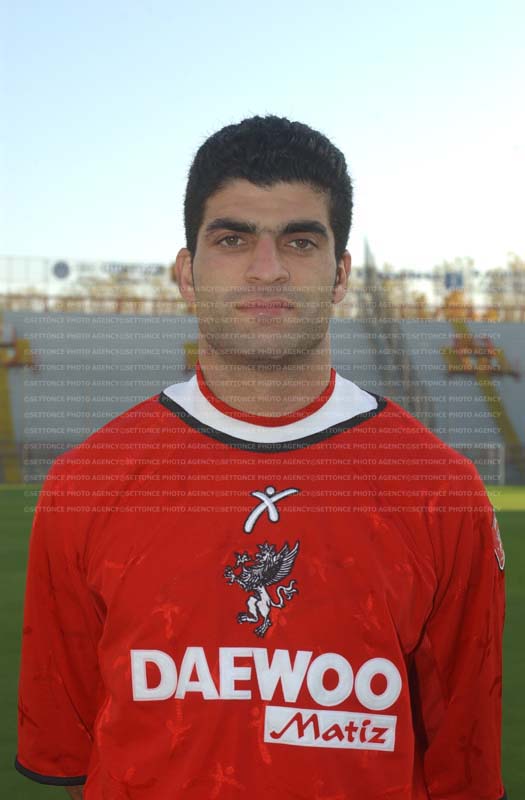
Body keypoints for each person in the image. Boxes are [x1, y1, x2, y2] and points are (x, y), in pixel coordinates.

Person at [16, 115, 506, 800]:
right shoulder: (84, 484)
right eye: (232, 239)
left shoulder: (440, 490)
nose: (267, 268)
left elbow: (461, 767)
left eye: (300, 241)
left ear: (340, 274)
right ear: (187, 273)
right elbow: (74, 750)